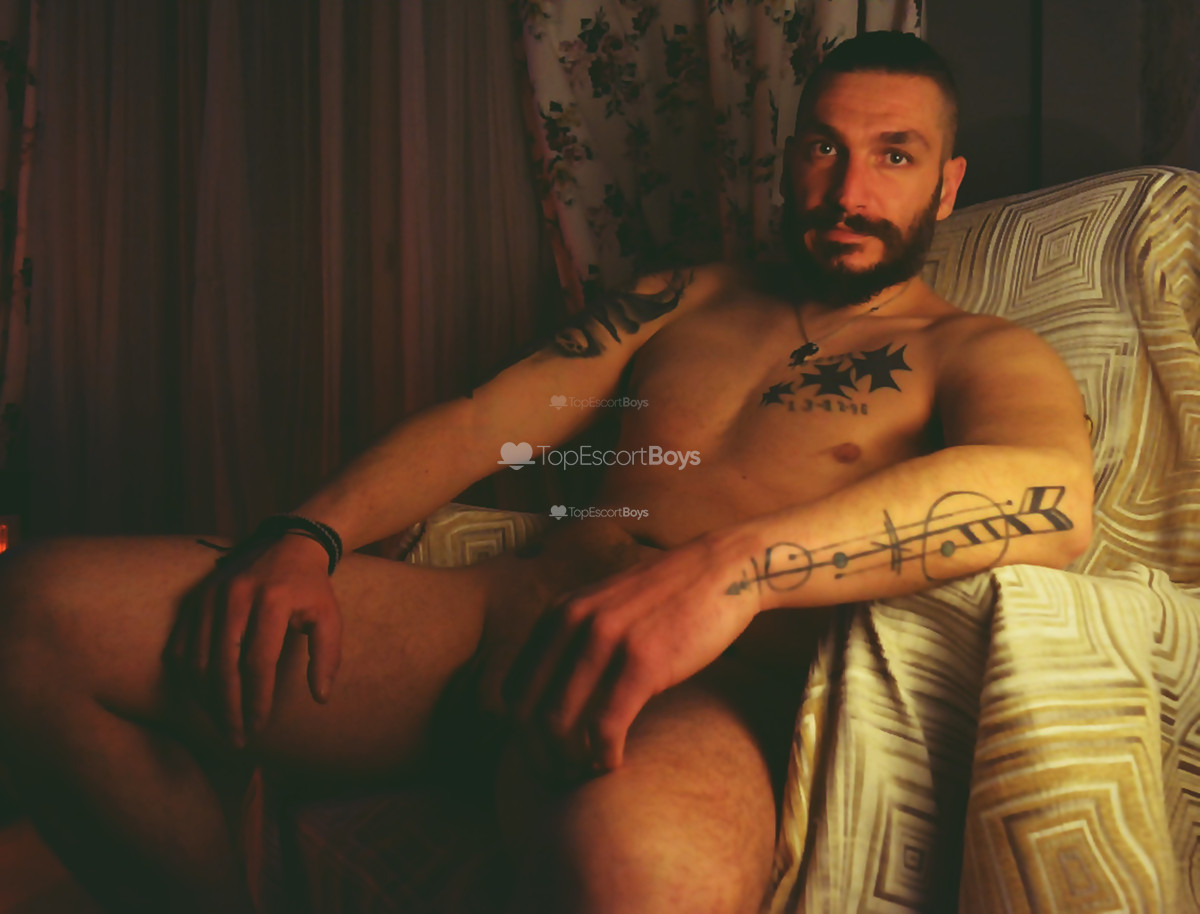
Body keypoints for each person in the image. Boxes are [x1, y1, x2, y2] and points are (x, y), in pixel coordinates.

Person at [0, 31, 1092, 914]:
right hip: (491, 618)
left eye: (894, 155)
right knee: (37, 613)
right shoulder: (688, 297)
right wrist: (307, 534)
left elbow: (1048, 491)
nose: (848, 187)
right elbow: (488, 421)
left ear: (945, 184)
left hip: (688, 692)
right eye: (823, 147)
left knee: (644, 883)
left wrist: (731, 572)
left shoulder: (975, 349)